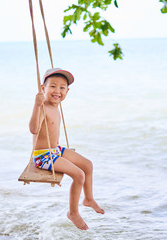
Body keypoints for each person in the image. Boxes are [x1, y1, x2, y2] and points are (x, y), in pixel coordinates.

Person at [29, 68, 105, 230]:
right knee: (78, 175)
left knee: (87, 165)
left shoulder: (56, 105)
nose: (57, 91)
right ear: (43, 89)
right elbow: (34, 129)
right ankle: (73, 212)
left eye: (62, 88)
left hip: (55, 149)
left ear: (67, 91)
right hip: (43, 156)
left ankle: (88, 198)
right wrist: (36, 106)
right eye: (53, 87)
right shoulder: (42, 107)